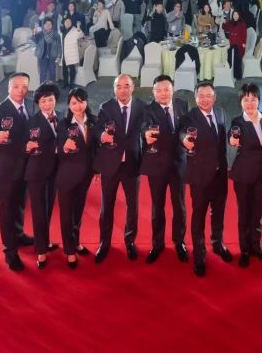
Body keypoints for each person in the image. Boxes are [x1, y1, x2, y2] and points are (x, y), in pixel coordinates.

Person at [179, 81, 232, 276]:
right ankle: (199, 255)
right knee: (199, 216)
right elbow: (182, 133)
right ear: (195, 98)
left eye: (209, 96)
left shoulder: (220, 113)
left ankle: (218, 244)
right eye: (201, 96)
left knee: (218, 213)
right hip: (200, 176)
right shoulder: (189, 117)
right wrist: (185, 140)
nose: (205, 99)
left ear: (215, 97)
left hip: (220, 175)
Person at [94, 74, 146, 262]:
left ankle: (130, 241)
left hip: (132, 163)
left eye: (126, 86)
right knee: (106, 205)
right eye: (119, 86)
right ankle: (104, 243)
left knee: (132, 206)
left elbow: (147, 127)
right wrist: (102, 136)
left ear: (133, 87)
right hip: (111, 164)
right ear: (114, 89)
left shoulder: (142, 106)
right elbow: (97, 129)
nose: (122, 90)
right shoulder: (105, 107)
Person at [140, 74, 189, 263]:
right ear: (153, 92)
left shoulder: (182, 104)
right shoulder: (148, 109)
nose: (163, 93)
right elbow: (144, 127)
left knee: (180, 205)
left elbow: (186, 127)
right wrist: (146, 134)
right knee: (157, 206)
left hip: (178, 163)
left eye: (166, 89)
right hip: (157, 165)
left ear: (172, 89)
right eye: (158, 90)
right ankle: (157, 244)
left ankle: (179, 241)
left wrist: (186, 137)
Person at [0, 74, 35, 271]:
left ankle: (19, 234)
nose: (20, 90)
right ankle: (10, 251)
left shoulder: (31, 104)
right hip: (7, 169)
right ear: (9, 88)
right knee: (7, 210)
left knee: (20, 204)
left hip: (27, 167)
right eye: (16, 86)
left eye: (24, 86)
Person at [228, 82, 262, 267]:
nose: (249, 103)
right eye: (245, 99)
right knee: (244, 212)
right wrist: (232, 139)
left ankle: (257, 246)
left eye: (253, 99)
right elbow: (233, 135)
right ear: (240, 101)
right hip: (243, 173)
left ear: (259, 100)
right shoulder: (237, 121)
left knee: (258, 211)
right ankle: (245, 250)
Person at [56, 86, 96, 268]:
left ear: (86, 102)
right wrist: (64, 147)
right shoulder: (63, 124)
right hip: (66, 176)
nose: (77, 106)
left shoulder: (94, 121)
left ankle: (76, 241)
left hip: (85, 175)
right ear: (69, 105)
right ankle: (69, 250)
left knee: (78, 212)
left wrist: (97, 170)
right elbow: (58, 151)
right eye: (73, 103)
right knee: (66, 214)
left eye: (81, 102)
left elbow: (96, 149)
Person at [24, 84, 62, 268]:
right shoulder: (32, 121)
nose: (47, 104)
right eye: (43, 101)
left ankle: (45, 241)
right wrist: (27, 147)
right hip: (37, 172)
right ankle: (40, 250)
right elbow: (25, 145)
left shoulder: (62, 117)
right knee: (39, 211)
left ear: (56, 100)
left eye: (50, 100)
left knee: (48, 210)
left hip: (55, 171)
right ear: (38, 103)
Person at [61, 17, 83, 87]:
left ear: (71, 23)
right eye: (66, 22)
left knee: (72, 69)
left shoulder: (74, 30)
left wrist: (79, 30)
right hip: (64, 53)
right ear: (64, 23)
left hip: (71, 52)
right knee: (64, 69)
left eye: (69, 22)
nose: (67, 23)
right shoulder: (62, 30)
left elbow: (80, 35)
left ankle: (71, 83)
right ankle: (65, 83)